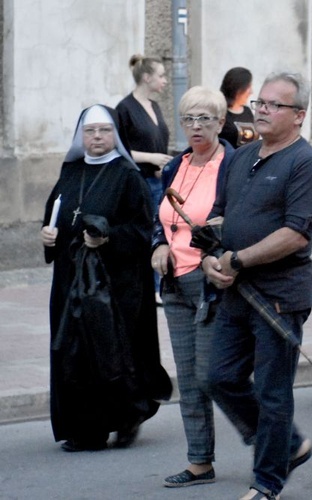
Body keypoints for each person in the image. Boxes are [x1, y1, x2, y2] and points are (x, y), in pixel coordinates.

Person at [202, 72, 312, 499]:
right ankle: (288, 446)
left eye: (275, 105)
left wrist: (238, 259)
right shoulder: (241, 156)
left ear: (299, 116)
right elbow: (218, 217)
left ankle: (267, 482)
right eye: (261, 102)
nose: (263, 110)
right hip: (235, 291)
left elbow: (296, 234)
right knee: (220, 377)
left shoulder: (307, 163)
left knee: (272, 392)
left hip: (279, 297)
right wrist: (210, 258)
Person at [40, 105, 172, 452]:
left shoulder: (127, 176)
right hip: (71, 281)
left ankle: (126, 417)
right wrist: (48, 237)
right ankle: (85, 430)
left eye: (103, 130)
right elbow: (54, 215)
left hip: (118, 285)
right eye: (89, 131)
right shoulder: (70, 172)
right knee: (73, 352)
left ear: (115, 135)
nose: (96, 137)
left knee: (114, 353)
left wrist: (108, 237)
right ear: (80, 137)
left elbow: (145, 230)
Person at [151, 87, 235, 487]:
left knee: (212, 375)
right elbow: (161, 217)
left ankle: (272, 441)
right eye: (188, 119)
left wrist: (216, 249)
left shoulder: (233, 166)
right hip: (174, 283)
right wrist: (158, 245)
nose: (196, 127)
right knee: (187, 378)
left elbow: (236, 222)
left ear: (221, 122)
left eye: (205, 118)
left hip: (211, 283)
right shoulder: (175, 167)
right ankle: (200, 460)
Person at [116, 54, 173, 304]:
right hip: (140, 181)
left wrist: (161, 164)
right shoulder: (125, 108)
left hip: (158, 180)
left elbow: (160, 141)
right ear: (146, 77)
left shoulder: (155, 106)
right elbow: (121, 149)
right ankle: (151, 286)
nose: (165, 80)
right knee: (148, 231)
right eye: (161, 75)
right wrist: (152, 158)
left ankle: (161, 282)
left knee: (163, 230)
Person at [218, 67, 258, 148]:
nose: (251, 92)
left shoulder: (247, 111)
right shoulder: (220, 112)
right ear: (238, 88)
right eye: (248, 87)